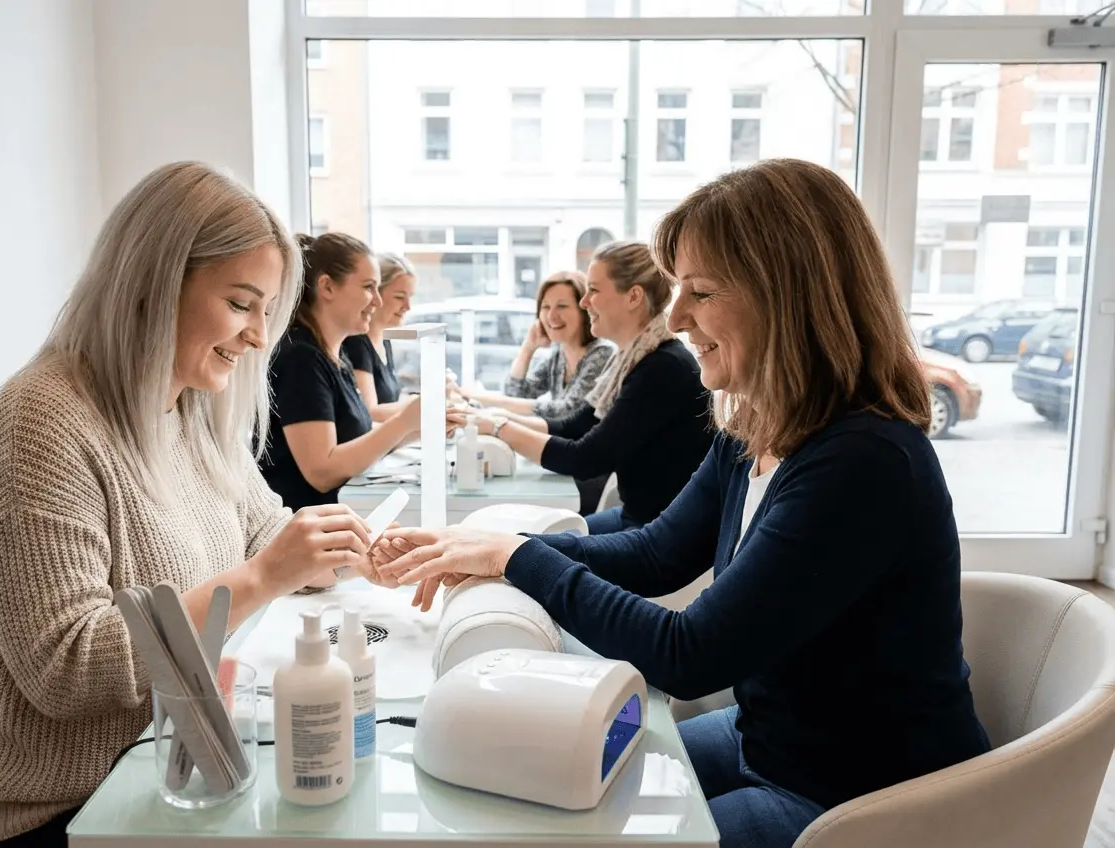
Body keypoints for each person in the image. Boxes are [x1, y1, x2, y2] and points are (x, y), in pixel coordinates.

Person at [369, 159, 993, 848]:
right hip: (775, 740)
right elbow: (657, 552)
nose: (676, 317)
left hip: (859, 795)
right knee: (552, 798)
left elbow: (689, 654)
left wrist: (518, 559)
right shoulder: (757, 424)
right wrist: (495, 552)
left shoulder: (865, 462)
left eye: (701, 291)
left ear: (786, 296)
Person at [0, 162, 376, 848]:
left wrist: (350, 551)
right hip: (53, 810)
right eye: (241, 304)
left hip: (174, 761)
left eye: (267, 311)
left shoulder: (188, 408)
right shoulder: (35, 428)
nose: (260, 337)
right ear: (151, 284)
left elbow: (265, 532)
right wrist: (264, 577)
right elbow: (69, 670)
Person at [449, 242, 713, 533]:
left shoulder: (662, 367)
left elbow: (585, 458)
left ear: (633, 297)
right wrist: (489, 420)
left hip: (656, 533)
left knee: (514, 544)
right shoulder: (631, 360)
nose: (585, 302)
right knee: (518, 538)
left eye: (593, 290)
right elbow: (574, 425)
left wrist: (498, 426)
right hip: (635, 518)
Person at [259, 233, 422, 513]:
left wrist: (419, 427)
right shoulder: (300, 359)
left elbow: (356, 446)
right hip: (303, 525)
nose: (377, 301)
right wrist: (402, 422)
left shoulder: (336, 355)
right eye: (369, 287)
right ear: (327, 286)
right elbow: (322, 472)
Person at [460, 270, 614, 425]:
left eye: (562, 306)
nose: (551, 316)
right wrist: (528, 348)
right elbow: (516, 395)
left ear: (585, 311)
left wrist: (483, 399)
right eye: (545, 306)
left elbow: (568, 411)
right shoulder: (559, 355)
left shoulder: (603, 354)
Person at [342, 252, 416, 421]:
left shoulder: (384, 340)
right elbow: (370, 412)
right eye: (399, 297)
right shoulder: (357, 342)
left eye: (410, 297)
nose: (407, 306)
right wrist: (421, 403)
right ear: (375, 295)